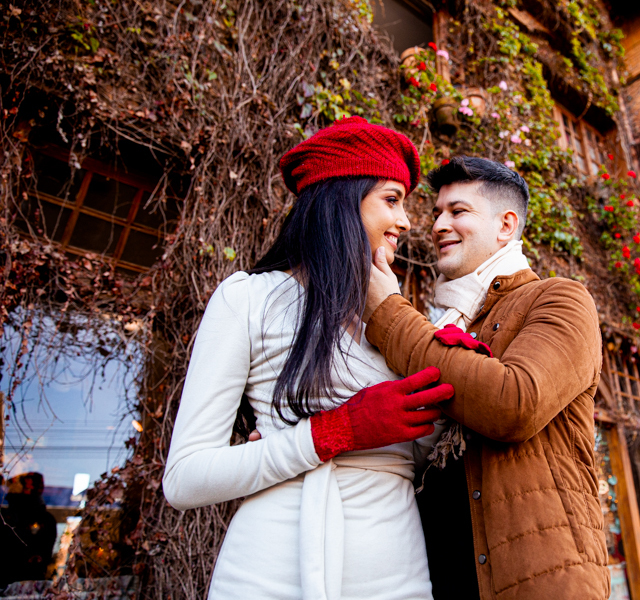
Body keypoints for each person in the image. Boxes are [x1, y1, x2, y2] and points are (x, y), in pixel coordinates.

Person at [162, 116, 454, 600]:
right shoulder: (249, 299)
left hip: (398, 573)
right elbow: (186, 478)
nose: (406, 221)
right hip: (269, 574)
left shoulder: (396, 319)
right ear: (342, 199)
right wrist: (334, 432)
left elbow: (413, 457)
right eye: (391, 199)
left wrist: (450, 382)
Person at [363, 157, 610, 599]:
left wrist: (391, 315)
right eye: (436, 212)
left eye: (457, 211)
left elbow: (516, 403)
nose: (438, 224)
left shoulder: (560, 299)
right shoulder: (443, 332)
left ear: (505, 226)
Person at [0, 472, 58, 588]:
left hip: (22, 584)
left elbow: (36, 557)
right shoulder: (9, 516)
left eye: (13, 485)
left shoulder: (42, 520)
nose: (8, 489)